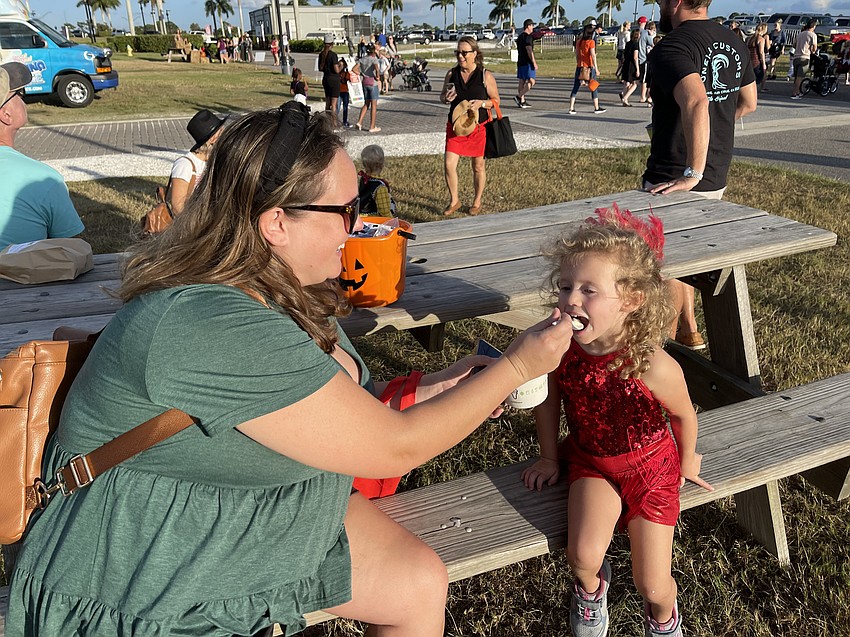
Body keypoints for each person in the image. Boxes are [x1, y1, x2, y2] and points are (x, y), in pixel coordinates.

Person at [5, 101, 575, 637]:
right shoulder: (209, 323)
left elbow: (335, 402)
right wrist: (519, 363)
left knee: (415, 583)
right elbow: (392, 449)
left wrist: (436, 386)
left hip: (247, 513)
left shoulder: (271, 290)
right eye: (347, 210)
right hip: (146, 566)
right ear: (275, 222)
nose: (358, 227)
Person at [522, 206, 713, 637]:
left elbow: (683, 413)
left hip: (652, 471)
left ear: (631, 300)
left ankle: (664, 619)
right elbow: (548, 402)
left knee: (652, 582)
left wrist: (687, 461)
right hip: (592, 461)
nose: (571, 299)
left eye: (589, 290)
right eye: (566, 286)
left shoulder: (650, 363)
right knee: (582, 556)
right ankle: (591, 591)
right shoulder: (560, 352)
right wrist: (549, 459)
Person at [642, 0, 757, 350]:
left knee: (664, 265)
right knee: (687, 255)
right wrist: (716, 133)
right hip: (717, 172)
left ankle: (662, 348)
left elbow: (695, 101)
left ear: (676, 2)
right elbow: (749, 102)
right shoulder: (732, 39)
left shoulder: (671, 47)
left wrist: (692, 171)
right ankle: (690, 328)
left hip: (674, 173)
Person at [0, 61, 84, 249]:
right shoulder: (43, 179)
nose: (24, 101)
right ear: (6, 115)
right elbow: (69, 249)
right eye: (20, 94)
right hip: (20, 277)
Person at [439, 36, 501, 215]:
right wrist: (445, 98)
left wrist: (481, 103)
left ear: (474, 54)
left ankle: (477, 202)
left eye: (464, 53)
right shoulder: (452, 73)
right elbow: (443, 96)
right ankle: (454, 201)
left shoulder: (485, 75)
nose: (460, 56)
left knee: (478, 166)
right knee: (449, 164)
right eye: (457, 52)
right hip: (456, 126)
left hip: (478, 127)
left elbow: (496, 101)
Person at [168, 109, 227, 215]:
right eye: (221, 134)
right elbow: (177, 206)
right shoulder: (185, 165)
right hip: (188, 223)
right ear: (213, 140)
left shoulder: (212, 162)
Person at [568, 22, 607, 115]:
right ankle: (596, 107)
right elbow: (593, 55)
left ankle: (571, 107)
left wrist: (579, 63)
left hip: (580, 66)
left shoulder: (579, 42)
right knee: (593, 86)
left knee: (575, 87)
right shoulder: (591, 42)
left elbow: (577, 54)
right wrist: (596, 68)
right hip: (589, 66)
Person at [358, 144, 396, 216]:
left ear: (363, 164)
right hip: (376, 221)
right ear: (382, 164)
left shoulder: (363, 179)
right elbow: (384, 212)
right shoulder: (380, 187)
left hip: (362, 219)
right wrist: (392, 223)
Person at [353, 44, 382, 133]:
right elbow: (377, 69)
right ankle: (372, 126)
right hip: (372, 82)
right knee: (374, 106)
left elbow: (354, 69)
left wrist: (361, 73)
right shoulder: (374, 59)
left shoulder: (362, 59)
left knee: (366, 103)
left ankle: (359, 122)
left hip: (365, 82)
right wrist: (377, 77)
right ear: (373, 51)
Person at [792, 19, 818, 99]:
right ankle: (796, 92)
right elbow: (814, 47)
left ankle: (796, 90)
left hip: (796, 57)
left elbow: (794, 45)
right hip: (805, 57)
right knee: (800, 76)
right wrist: (812, 50)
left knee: (796, 76)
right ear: (813, 26)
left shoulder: (800, 34)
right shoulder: (812, 35)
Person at [514, 18, 537, 108]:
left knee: (522, 81)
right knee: (532, 81)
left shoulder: (520, 37)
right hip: (527, 62)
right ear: (528, 26)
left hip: (520, 61)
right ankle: (519, 97)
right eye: (532, 25)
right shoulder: (528, 36)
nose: (533, 27)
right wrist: (533, 62)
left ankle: (522, 101)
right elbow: (529, 49)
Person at [319, 34, 342, 117]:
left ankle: (326, 121)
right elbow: (336, 70)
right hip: (334, 80)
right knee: (334, 105)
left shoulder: (321, 54)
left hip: (326, 79)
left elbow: (320, 68)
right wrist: (341, 65)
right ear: (332, 44)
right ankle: (334, 123)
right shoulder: (333, 55)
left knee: (327, 103)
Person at [619, 29, 641, 106]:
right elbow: (635, 57)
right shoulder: (636, 44)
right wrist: (637, 69)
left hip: (626, 63)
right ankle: (625, 97)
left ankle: (624, 99)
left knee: (627, 82)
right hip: (632, 64)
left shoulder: (628, 43)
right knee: (635, 83)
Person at [638, 20, 656, 104]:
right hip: (644, 58)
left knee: (644, 78)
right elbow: (652, 44)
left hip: (640, 57)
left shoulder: (641, 32)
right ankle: (643, 97)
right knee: (645, 79)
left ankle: (644, 96)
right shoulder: (647, 34)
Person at [747, 23, 769, 92]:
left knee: (751, 78)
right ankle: (758, 90)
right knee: (759, 77)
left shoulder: (750, 39)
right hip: (757, 61)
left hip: (750, 61)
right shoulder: (761, 39)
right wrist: (764, 63)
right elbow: (761, 52)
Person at [337, 59, 351, 128]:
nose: (340, 67)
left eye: (341, 65)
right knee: (337, 107)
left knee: (345, 107)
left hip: (345, 91)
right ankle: (335, 121)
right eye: (339, 65)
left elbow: (348, 80)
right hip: (338, 91)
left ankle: (345, 121)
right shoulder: (336, 73)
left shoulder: (346, 73)